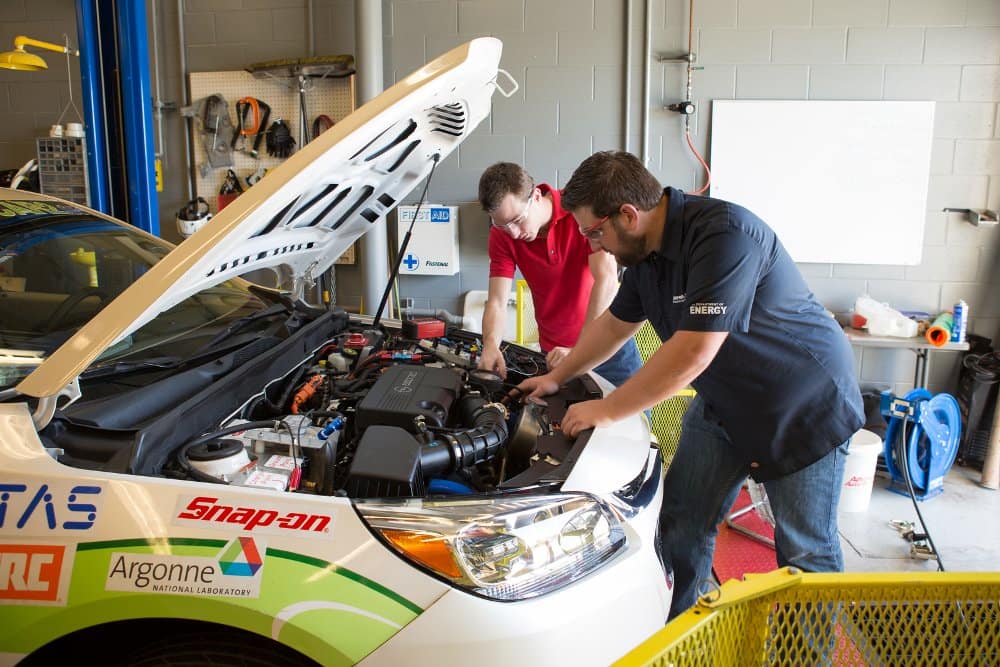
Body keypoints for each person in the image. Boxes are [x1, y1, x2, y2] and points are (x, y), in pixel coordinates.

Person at [518, 151, 865, 619]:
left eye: (594, 233)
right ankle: (682, 632)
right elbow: (613, 326)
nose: (593, 245)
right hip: (724, 400)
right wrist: (556, 376)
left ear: (628, 215)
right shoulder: (646, 258)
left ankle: (808, 653)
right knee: (682, 522)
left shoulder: (726, 236)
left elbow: (694, 351)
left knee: (805, 551)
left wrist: (608, 409)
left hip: (800, 402)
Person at [477, 162, 642, 387]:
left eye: (517, 220)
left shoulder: (579, 209)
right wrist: (490, 345)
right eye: (502, 225)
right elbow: (497, 300)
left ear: (536, 196)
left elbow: (607, 280)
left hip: (609, 345)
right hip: (555, 353)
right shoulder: (502, 236)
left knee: (633, 408)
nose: (513, 233)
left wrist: (580, 350)